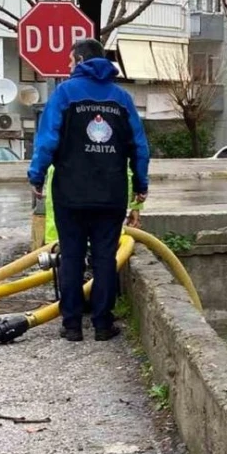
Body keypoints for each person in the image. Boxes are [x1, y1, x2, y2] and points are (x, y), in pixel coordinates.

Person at [28, 38, 149, 342]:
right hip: (111, 193)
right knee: (105, 258)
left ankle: (71, 326)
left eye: (70, 61)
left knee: (71, 256)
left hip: (71, 192)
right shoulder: (122, 98)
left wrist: (37, 175)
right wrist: (141, 185)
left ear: (79, 60)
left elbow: (47, 140)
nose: (69, 67)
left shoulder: (65, 94)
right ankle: (103, 325)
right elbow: (139, 146)